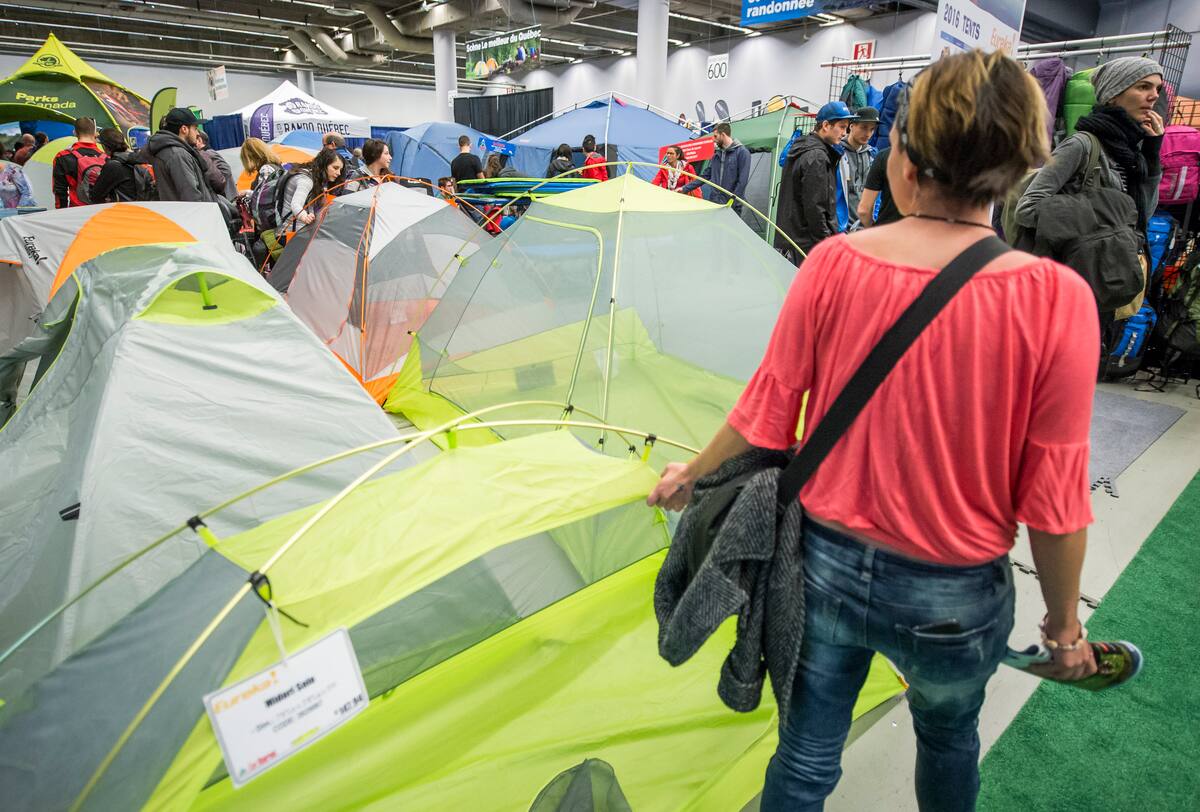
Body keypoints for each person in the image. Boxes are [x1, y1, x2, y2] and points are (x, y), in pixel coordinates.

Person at [648, 50, 1098, 811]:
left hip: (822, 568)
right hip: (957, 593)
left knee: (805, 758)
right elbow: (1055, 500)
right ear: (1022, 165)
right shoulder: (1056, 298)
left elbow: (766, 408)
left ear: (904, 155)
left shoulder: (833, 264)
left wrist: (689, 475)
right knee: (951, 741)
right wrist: (1062, 629)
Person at [1015, 56, 1164, 318]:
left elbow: (1143, 216)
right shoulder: (1082, 145)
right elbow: (1027, 209)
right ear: (1114, 95)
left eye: (1157, 89)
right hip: (1067, 286)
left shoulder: (1134, 152)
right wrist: (1104, 216)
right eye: (1143, 87)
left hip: (1106, 284)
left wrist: (1152, 154)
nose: (1153, 96)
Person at [774, 101, 856, 261]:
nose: (844, 133)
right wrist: (826, 245)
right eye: (841, 126)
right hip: (808, 245)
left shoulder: (801, 148)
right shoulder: (817, 157)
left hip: (793, 241)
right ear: (826, 125)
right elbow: (816, 208)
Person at [145, 108, 219, 203]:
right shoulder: (177, 155)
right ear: (184, 129)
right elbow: (191, 196)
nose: (197, 133)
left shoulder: (169, 151)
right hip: (197, 215)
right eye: (195, 128)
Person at [680, 123, 750, 211]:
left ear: (723, 135)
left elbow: (742, 182)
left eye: (715, 136)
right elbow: (705, 176)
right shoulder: (716, 154)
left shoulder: (742, 153)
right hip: (715, 203)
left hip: (732, 207)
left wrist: (732, 202)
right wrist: (684, 188)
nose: (713, 139)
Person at [837, 106, 878, 230]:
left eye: (872, 129)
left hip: (866, 230)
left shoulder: (873, 155)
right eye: (864, 128)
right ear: (851, 126)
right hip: (841, 230)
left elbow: (878, 194)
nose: (868, 134)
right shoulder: (836, 153)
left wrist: (873, 222)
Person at [279, 149, 344, 227]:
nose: (339, 173)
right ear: (323, 165)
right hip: (290, 232)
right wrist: (304, 217)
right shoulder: (306, 180)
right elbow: (296, 204)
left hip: (293, 230)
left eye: (340, 169)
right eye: (335, 168)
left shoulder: (311, 176)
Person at [52, 117, 107, 208]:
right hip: (101, 212)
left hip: (76, 211)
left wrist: (60, 213)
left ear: (75, 133)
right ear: (94, 133)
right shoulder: (106, 158)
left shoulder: (62, 157)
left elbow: (60, 191)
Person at [90, 128, 145, 203]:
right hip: (143, 207)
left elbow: (95, 196)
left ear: (105, 147)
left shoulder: (113, 166)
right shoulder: (134, 159)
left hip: (123, 211)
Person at [858, 146, 902, 227]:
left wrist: (871, 228)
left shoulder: (883, 156)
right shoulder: (931, 156)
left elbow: (864, 210)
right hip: (925, 231)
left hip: (887, 228)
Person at [194, 129, 237, 199]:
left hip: (227, 197)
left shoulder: (208, 153)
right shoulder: (208, 153)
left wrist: (216, 185)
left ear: (199, 140)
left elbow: (226, 171)